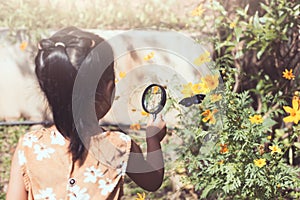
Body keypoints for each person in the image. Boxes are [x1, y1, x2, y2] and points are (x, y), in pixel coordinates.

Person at [6, 27, 166, 200]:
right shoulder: (119, 146)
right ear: (109, 88)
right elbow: (153, 180)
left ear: (48, 91)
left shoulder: (28, 146)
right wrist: (153, 138)